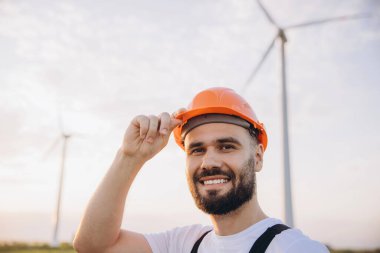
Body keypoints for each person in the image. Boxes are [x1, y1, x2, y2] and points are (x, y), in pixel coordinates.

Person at [73, 87, 329, 253]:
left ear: (258, 157)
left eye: (227, 146)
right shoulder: (185, 244)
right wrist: (129, 157)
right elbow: (93, 246)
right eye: (197, 150)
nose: (208, 162)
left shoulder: (294, 249)